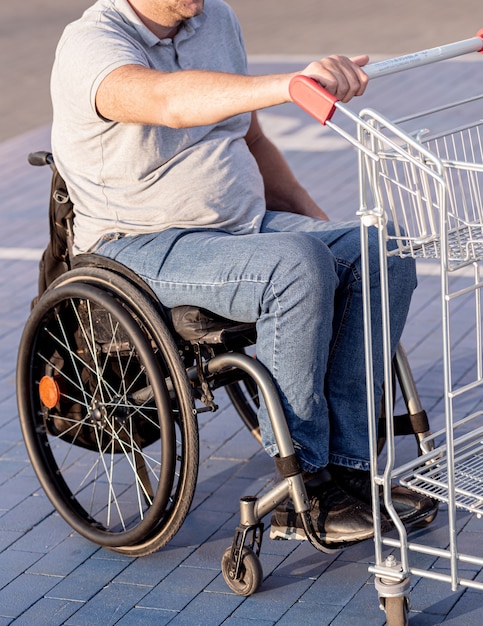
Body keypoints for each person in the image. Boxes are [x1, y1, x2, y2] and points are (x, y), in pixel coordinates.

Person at [50, 0, 436, 548]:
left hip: (241, 225)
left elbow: (251, 139)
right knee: (295, 267)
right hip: (138, 247)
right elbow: (167, 100)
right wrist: (293, 83)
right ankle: (307, 488)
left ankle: (350, 470)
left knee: (381, 250)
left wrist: (327, 232)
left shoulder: (216, 20)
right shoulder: (92, 43)